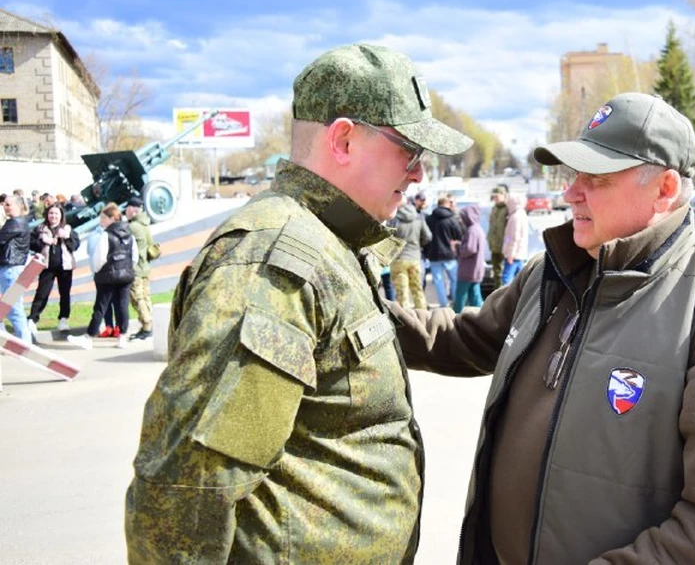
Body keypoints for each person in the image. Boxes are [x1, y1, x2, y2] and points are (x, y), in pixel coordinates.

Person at [389, 93, 695, 564]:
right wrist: (359, 309)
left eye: (596, 178)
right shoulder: (549, 273)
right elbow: (459, 339)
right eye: (574, 175)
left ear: (665, 188)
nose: (571, 193)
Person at [125, 42, 473, 563]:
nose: (419, 172)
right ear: (344, 139)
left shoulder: (327, 243)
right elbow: (187, 482)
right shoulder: (274, 260)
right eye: (410, 150)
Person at [70, 203, 138, 349]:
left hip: (108, 275)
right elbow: (134, 256)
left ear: (112, 218)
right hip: (126, 275)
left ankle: (90, 336)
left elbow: (99, 257)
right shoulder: (129, 234)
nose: (101, 220)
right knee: (122, 306)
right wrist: (128, 268)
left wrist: (96, 271)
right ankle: (123, 337)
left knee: (100, 306)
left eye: (103, 217)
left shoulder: (106, 235)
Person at [27, 203, 81, 334]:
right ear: (47, 215)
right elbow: (31, 243)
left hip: (65, 267)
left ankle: (63, 319)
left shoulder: (67, 228)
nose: (53, 216)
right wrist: (43, 241)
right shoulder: (40, 228)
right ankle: (33, 319)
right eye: (51, 213)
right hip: (46, 266)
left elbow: (75, 245)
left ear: (61, 215)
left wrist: (66, 237)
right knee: (42, 293)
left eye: (56, 213)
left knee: (65, 294)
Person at [0, 194, 32, 342]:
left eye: (8, 204)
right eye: (4, 204)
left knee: (13, 307)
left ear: (18, 206)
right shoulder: (19, 222)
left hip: (10, 270)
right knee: (10, 306)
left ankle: (24, 343)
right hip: (11, 269)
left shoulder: (15, 223)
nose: (5, 207)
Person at [390, 199, 432, 309]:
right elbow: (428, 236)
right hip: (415, 257)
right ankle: (423, 317)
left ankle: (407, 322)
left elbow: (388, 238)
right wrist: (419, 245)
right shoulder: (419, 218)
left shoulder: (394, 219)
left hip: (398, 258)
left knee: (402, 293)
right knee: (418, 290)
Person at [125, 197, 156, 341]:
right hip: (145, 267)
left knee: (137, 299)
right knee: (145, 297)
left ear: (133, 209)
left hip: (136, 268)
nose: (126, 211)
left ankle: (147, 327)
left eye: (127, 208)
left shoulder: (133, 227)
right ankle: (148, 326)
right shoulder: (145, 225)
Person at [425, 194, 463, 308]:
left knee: (438, 281)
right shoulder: (451, 219)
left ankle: (443, 304)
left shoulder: (429, 219)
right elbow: (459, 235)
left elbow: (425, 236)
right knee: (454, 279)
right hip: (450, 254)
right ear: (447, 204)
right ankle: (456, 302)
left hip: (433, 254)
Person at [453, 203, 485, 312]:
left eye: (463, 216)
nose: (462, 219)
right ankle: (480, 317)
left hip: (468, 270)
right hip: (475, 270)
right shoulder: (478, 228)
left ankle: (455, 319)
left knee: (460, 297)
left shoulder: (472, 230)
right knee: (475, 297)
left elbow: (470, 249)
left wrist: (457, 248)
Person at [500, 193, 529, 285]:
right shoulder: (522, 214)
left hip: (513, 254)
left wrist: (510, 255)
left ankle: (507, 298)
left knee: (506, 278)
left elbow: (514, 237)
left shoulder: (515, 217)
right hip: (519, 252)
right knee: (520, 278)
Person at [487, 185, 509, 290]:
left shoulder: (507, 209)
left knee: (503, 273)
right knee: (496, 272)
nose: (495, 198)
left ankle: (502, 294)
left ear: (504, 195)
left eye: (497, 196)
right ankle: (497, 292)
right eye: (494, 196)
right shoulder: (494, 208)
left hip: (504, 246)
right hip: (494, 245)